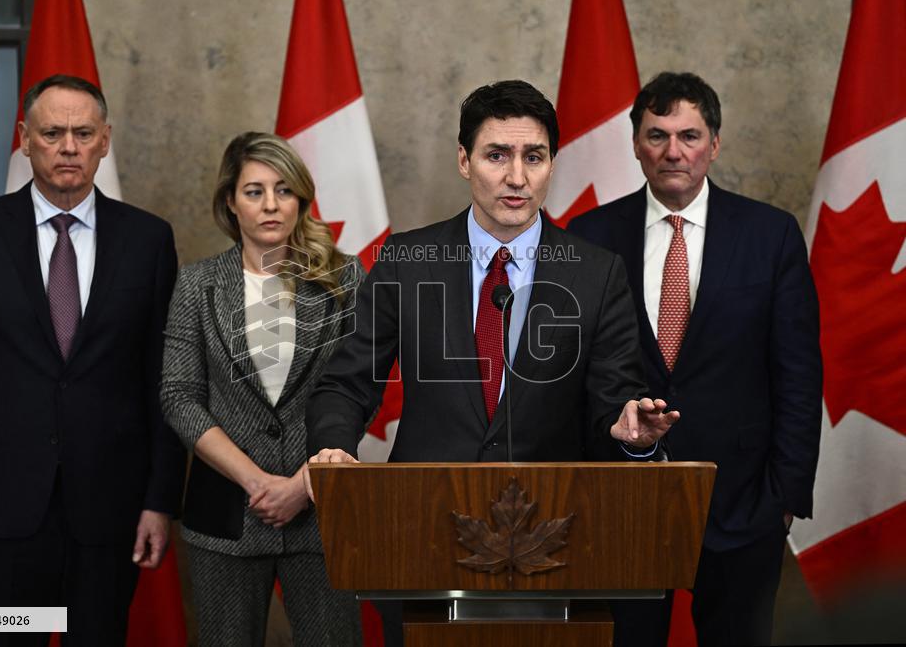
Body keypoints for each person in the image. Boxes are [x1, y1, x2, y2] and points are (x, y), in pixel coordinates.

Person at [305, 80, 679, 644]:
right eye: (496, 155)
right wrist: (334, 444)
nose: (516, 177)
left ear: (552, 163)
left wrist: (634, 434)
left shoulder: (595, 272)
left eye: (534, 157)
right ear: (464, 160)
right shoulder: (409, 260)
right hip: (421, 536)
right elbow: (345, 383)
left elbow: (615, 397)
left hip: (556, 541)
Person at [0, 74, 186, 645]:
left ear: (105, 141)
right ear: (25, 138)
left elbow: (164, 383)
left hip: (111, 507)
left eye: (83, 133)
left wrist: (159, 502)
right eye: (53, 132)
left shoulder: (148, 239)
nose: (69, 147)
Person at [567, 71, 822, 647]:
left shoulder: (771, 235)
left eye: (689, 135)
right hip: (621, 503)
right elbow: (572, 378)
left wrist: (784, 498)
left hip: (743, 499)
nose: (673, 152)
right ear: (635, 144)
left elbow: (799, 376)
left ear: (714, 142)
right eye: (657, 136)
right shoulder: (589, 236)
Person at [160, 132, 363, 646]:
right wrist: (256, 482)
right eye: (254, 191)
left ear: (301, 197)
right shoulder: (195, 285)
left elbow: (359, 387)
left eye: (283, 190)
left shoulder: (345, 278)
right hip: (227, 512)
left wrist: (300, 485)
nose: (271, 205)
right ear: (230, 201)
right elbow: (179, 395)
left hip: (321, 510)